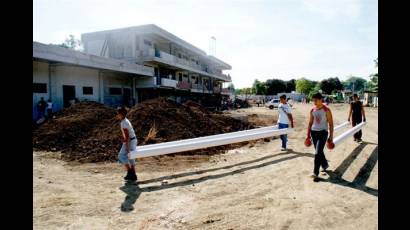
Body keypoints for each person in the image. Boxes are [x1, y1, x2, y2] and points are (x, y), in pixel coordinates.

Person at [306, 93, 334, 181]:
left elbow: (331, 124)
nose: (314, 102)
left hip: (323, 133)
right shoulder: (312, 110)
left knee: (317, 153)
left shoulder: (327, 110)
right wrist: (308, 135)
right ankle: (325, 165)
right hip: (313, 133)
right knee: (319, 152)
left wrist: (331, 137)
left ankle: (315, 172)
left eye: (316, 100)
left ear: (321, 99)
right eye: (313, 100)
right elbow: (310, 123)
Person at [116, 107, 138, 181]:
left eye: (118, 114)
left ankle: (130, 172)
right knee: (131, 157)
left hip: (130, 141)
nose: (117, 115)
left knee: (121, 156)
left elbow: (127, 136)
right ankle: (133, 175)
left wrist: (127, 147)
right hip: (133, 140)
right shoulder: (125, 120)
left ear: (121, 114)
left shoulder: (123, 123)